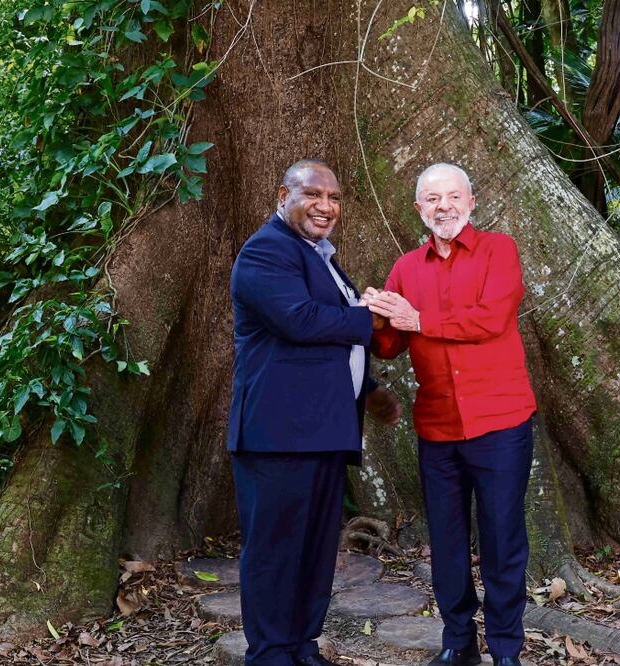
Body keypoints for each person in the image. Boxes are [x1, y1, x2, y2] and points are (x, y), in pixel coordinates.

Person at [228, 159, 400, 666]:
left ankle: (302, 645)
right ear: (284, 195)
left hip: (323, 430)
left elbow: (325, 345)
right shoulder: (265, 251)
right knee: (276, 550)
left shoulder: (320, 257)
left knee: (315, 550)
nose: (326, 207)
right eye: (314, 195)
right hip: (277, 435)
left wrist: (368, 390)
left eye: (335, 198)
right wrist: (377, 317)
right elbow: (300, 321)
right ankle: (270, 654)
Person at [364, 163, 537, 666]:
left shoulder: (498, 250)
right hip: (438, 428)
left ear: (471, 201)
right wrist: (375, 316)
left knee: (503, 538)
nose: (444, 206)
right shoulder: (406, 268)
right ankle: (458, 642)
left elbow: (491, 319)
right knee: (446, 541)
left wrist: (418, 318)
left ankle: (506, 649)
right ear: (419, 209)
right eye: (432, 199)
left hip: (500, 423)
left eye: (453, 196)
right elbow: (392, 344)